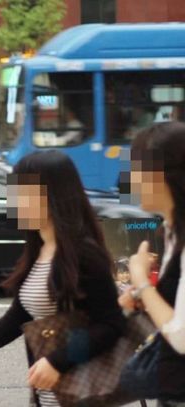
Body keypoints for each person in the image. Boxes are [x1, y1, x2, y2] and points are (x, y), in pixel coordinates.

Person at [0, 150, 125, 406]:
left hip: (82, 394)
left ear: (53, 196)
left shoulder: (84, 253)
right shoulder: (40, 250)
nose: (14, 202)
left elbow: (111, 324)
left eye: (23, 193)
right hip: (49, 397)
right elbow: (17, 318)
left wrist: (57, 361)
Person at [118, 122, 185, 405]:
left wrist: (142, 282)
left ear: (160, 175)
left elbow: (182, 336)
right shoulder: (171, 232)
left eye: (136, 170)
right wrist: (141, 295)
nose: (131, 181)